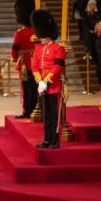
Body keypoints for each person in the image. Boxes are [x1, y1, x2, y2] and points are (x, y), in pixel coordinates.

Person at [31, 9, 66, 149]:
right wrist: (39, 81)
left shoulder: (58, 48)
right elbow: (34, 67)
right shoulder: (38, 48)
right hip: (42, 86)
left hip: (54, 85)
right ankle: (47, 139)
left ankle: (55, 140)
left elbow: (57, 68)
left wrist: (46, 82)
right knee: (46, 116)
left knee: (54, 115)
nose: (42, 38)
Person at [11, 0, 37, 119]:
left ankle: (28, 111)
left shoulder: (19, 33)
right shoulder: (37, 31)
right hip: (38, 63)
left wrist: (15, 58)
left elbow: (14, 52)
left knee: (27, 89)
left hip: (25, 66)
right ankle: (39, 109)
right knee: (37, 88)